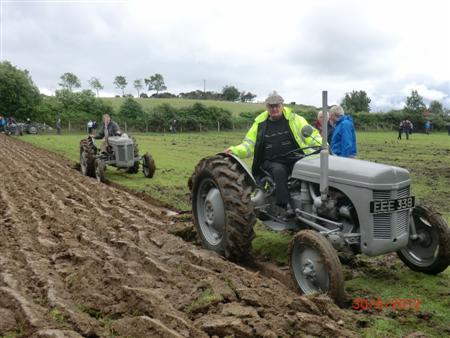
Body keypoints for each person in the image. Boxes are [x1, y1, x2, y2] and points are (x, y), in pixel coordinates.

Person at [225, 91, 321, 216]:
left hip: (296, 158)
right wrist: (235, 150)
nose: (274, 108)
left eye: (277, 105)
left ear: (282, 105)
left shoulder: (295, 119)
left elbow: (311, 135)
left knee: (311, 170)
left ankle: (317, 203)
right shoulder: (259, 124)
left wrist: (322, 145)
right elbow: (249, 144)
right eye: (271, 106)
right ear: (267, 107)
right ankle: (285, 206)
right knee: (279, 170)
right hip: (271, 161)